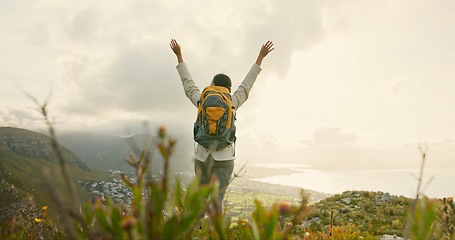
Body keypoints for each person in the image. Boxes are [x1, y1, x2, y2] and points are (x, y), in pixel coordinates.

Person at [170, 39, 274, 212]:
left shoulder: (202, 100)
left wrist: (179, 56)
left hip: (202, 156)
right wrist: (260, 57)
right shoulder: (232, 101)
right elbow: (247, 84)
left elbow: (188, 84)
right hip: (225, 158)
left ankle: (196, 233)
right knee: (218, 201)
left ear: (212, 85)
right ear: (228, 87)